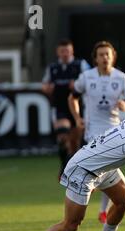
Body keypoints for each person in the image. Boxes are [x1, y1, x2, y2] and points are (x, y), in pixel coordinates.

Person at [68, 41, 125, 224]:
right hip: (93, 132)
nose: (105, 58)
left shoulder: (121, 78)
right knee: (104, 171)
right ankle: (93, 209)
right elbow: (73, 97)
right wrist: (77, 118)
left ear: (113, 56)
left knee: (107, 170)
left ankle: (100, 211)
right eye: (101, 55)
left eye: (107, 54)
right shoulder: (86, 77)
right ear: (95, 58)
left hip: (115, 132)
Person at [42, 39, 90, 178]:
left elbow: (89, 80)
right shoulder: (53, 68)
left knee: (74, 143)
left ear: (72, 51)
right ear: (58, 52)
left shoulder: (80, 64)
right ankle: (64, 167)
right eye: (62, 51)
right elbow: (44, 85)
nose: (65, 53)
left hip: (77, 108)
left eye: (67, 50)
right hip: (60, 107)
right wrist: (47, 88)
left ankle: (73, 168)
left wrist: (77, 85)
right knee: (62, 135)